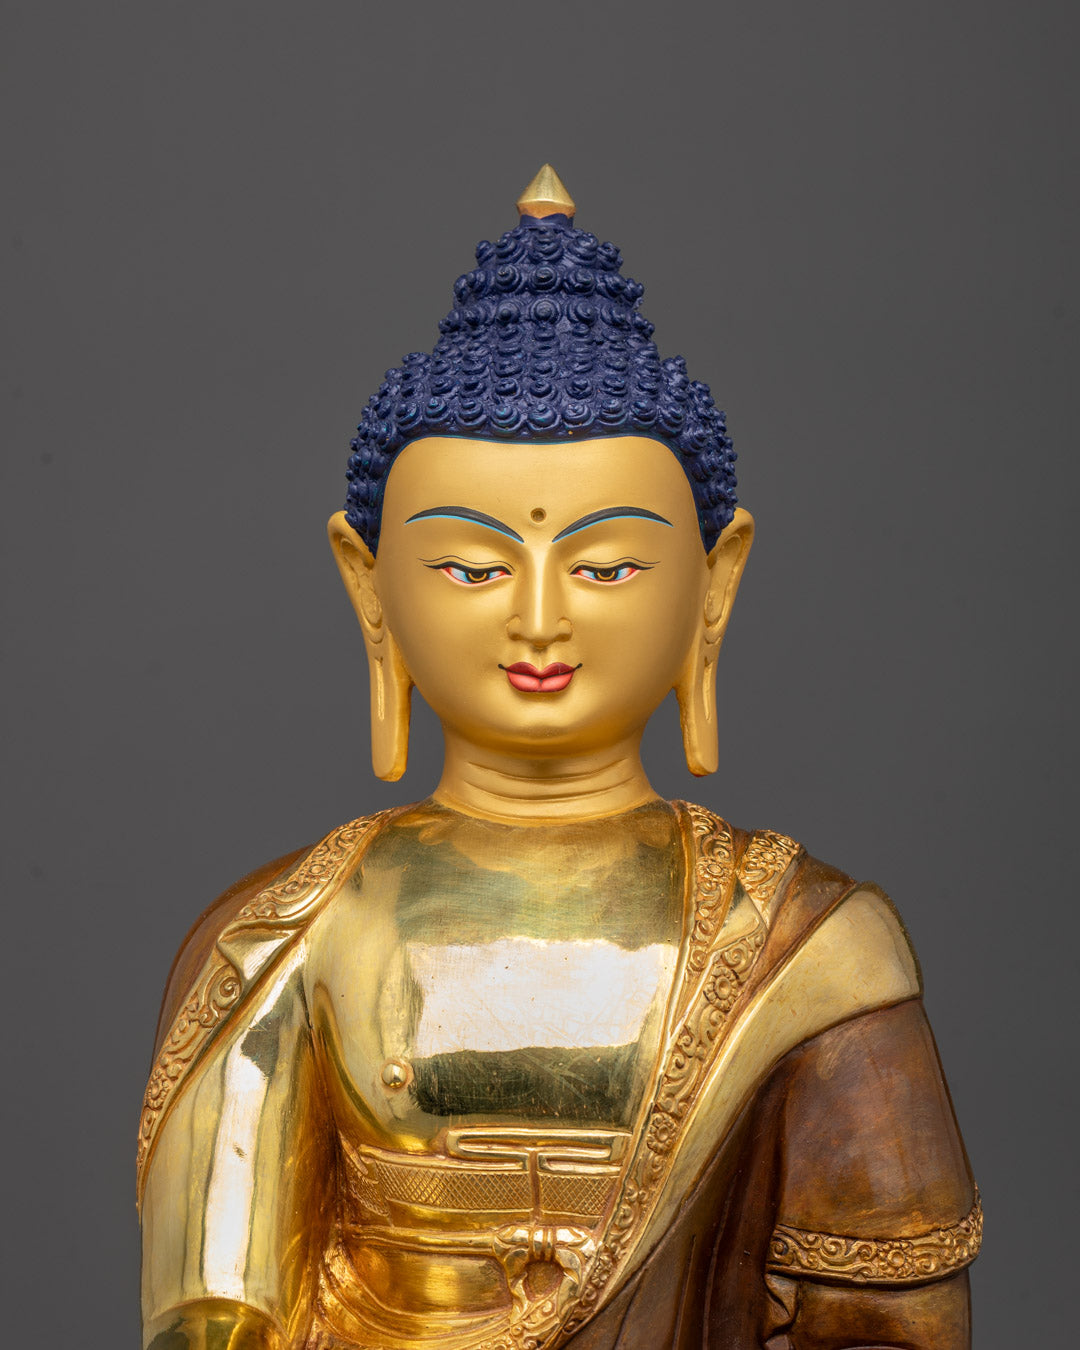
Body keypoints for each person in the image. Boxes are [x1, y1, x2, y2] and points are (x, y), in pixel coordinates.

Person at [138, 167, 980, 1349]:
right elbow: (212, 1312)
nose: (539, 619)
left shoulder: (811, 950)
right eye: (472, 567)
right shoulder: (282, 937)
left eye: (608, 565)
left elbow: (893, 1322)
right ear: (368, 585)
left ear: (715, 581)